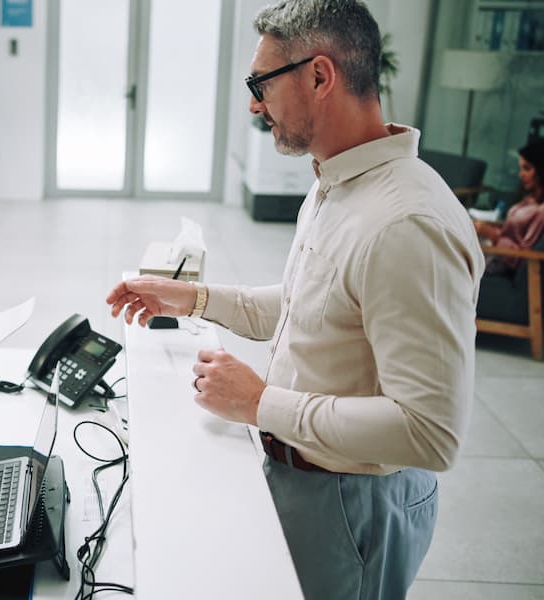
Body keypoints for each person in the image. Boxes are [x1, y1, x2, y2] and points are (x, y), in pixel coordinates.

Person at [104, 1, 484, 598]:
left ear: (319, 76)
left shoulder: (406, 224)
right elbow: (311, 308)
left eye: (262, 84)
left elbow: (430, 433)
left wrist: (261, 403)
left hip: (351, 499)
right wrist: (194, 298)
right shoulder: (336, 181)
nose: (254, 104)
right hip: (304, 477)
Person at [474, 137, 544, 274]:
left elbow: (522, 258)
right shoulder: (531, 199)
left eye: (527, 168)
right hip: (493, 252)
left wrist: (493, 235)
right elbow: (513, 233)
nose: (521, 174)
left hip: (498, 262)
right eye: (521, 168)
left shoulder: (543, 212)